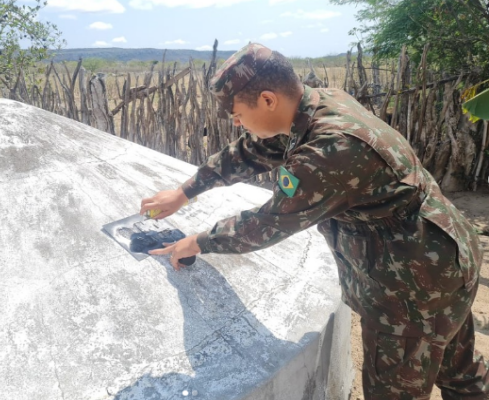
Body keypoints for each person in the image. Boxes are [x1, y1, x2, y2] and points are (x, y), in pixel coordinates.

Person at [139, 43, 489, 399]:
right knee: (461, 374)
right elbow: (251, 152)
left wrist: (197, 242)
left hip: (414, 285)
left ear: (268, 100)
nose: (239, 124)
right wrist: (184, 192)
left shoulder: (330, 149)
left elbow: (267, 225)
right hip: (446, 253)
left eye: (238, 115)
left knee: (394, 390)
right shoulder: (319, 105)